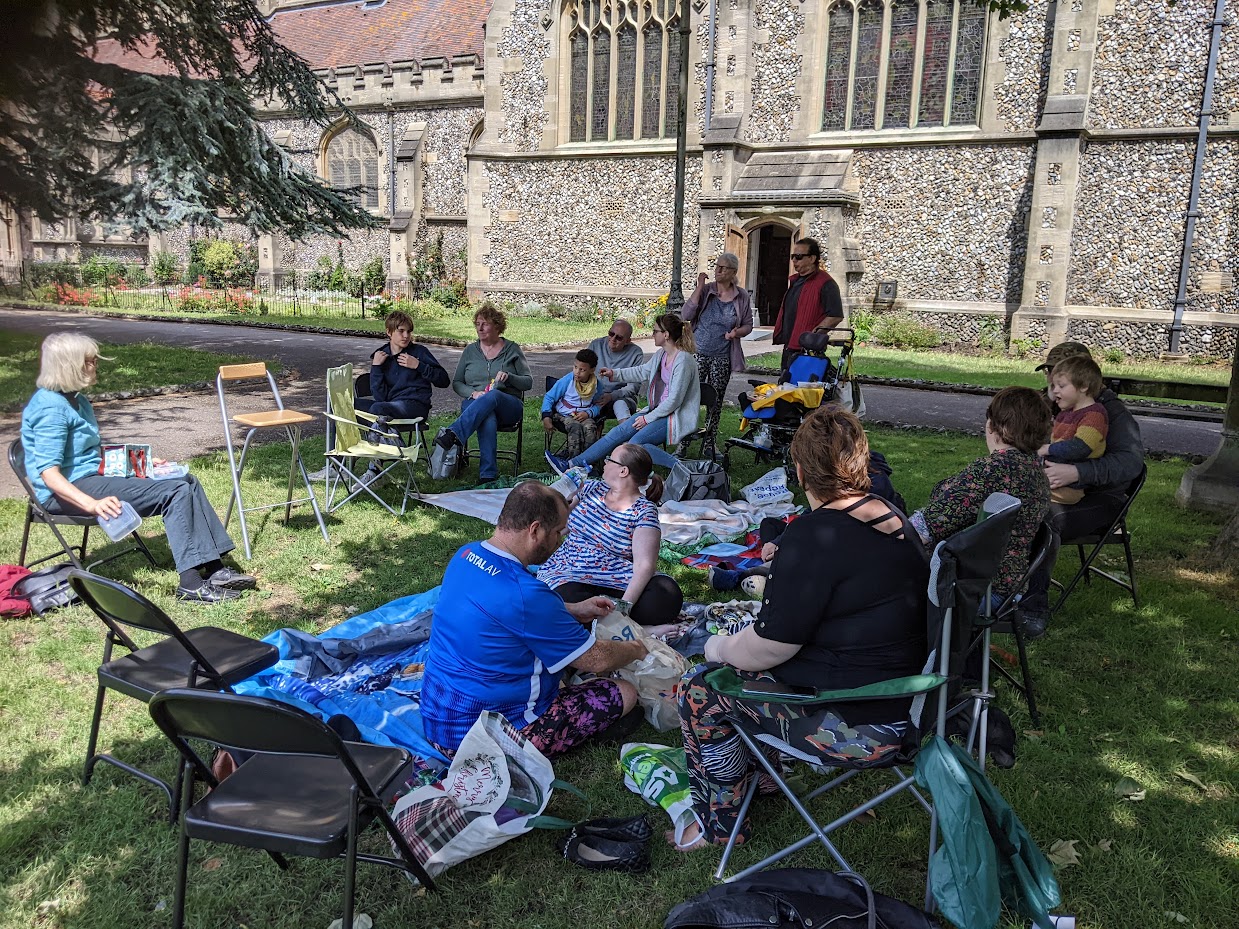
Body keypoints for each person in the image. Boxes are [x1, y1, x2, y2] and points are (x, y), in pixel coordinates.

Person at [675, 407, 928, 850]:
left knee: (700, 689)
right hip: (913, 700)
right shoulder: (888, 515)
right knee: (747, 678)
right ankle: (764, 779)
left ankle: (721, 824)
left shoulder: (813, 537)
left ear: (799, 471)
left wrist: (714, 646)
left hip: (864, 725)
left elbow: (768, 648)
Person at [20, 333, 255, 603]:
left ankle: (215, 570)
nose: (96, 364)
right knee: (174, 492)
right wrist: (92, 505)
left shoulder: (77, 399)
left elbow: (87, 452)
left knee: (186, 480)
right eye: (90, 361)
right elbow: (49, 474)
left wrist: (138, 464)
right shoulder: (50, 409)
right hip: (65, 490)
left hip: (90, 476)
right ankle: (190, 584)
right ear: (70, 365)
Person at [420, 482, 648, 757]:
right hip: (479, 743)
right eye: (557, 533)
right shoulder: (527, 595)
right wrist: (637, 648)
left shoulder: (467, 554)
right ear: (535, 530)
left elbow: (505, 613)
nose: (560, 541)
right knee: (624, 693)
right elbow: (595, 659)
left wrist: (573, 610)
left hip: (438, 719)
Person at [1018, 342, 1145, 638]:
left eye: (1059, 378)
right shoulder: (1053, 402)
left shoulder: (1112, 414)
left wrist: (1077, 471)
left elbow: (1130, 464)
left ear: (1083, 381)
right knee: (1008, 506)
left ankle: (1033, 609)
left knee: (1045, 519)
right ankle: (999, 587)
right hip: (1051, 487)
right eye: (1051, 375)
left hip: (1103, 497)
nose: (1052, 383)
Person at [909, 386, 1052, 608]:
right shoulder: (1036, 471)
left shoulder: (993, 469)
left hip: (971, 588)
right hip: (1008, 587)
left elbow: (926, 527)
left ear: (992, 425)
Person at [538, 443, 684, 626]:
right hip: (571, 572)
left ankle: (611, 623)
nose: (604, 463)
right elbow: (559, 525)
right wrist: (564, 489)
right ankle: (624, 628)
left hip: (617, 579)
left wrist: (624, 608)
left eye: (609, 459)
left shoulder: (644, 510)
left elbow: (644, 565)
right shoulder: (590, 489)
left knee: (666, 594)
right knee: (565, 599)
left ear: (623, 471)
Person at [546, 313, 699, 473]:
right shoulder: (661, 355)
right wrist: (615, 374)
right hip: (659, 412)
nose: (652, 334)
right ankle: (571, 465)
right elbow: (642, 371)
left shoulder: (683, 360)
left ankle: (682, 468)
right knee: (617, 433)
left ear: (666, 335)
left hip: (675, 416)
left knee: (634, 446)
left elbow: (674, 400)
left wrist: (647, 419)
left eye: (655, 331)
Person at [432, 303, 533, 483]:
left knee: (492, 396)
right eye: (477, 323)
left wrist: (509, 377)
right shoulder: (470, 351)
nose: (480, 327)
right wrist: (472, 393)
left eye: (485, 324)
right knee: (487, 416)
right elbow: (457, 383)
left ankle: (454, 434)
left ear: (497, 326)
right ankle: (488, 474)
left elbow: (528, 382)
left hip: (508, 405)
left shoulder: (512, 349)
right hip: (475, 404)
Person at [353, 310, 448, 483]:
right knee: (342, 405)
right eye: (401, 331)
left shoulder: (419, 352)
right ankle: (337, 467)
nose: (406, 336)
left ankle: (375, 470)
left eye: (408, 331)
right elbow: (380, 396)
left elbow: (444, 380)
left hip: (415, 406)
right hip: (388, 408)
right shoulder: (382, 356)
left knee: (378, 409)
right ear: (389, 332)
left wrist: (419, 366)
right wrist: (376, 367)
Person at [681, 252, 753, 458]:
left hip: (722, 357)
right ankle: (683, 443)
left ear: (733, 272)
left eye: (722, 268)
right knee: (690, 397)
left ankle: (709, 444)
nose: (718, 271)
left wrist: (736, 333)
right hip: (698, 354)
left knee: (715, 401)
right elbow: (686, 315)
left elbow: (748, 325)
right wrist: (699, 286)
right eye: (717, 267)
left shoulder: (741, 296)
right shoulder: (706, 291)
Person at [1038, 354, 1109, 505]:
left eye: (1061, 386)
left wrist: (1047, 449)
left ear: (1084, 386)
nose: (1055, 391)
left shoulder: (1094, 415)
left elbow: (1080, 447)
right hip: (1054, 477)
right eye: (1054, 386)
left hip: (1070, 487)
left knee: (1022, 494)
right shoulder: (1066, 413)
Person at [771, 236, 843, 370]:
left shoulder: (826, 283)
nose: (793, 260)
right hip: (790, 346)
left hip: (808, 351)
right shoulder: (796, 281)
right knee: (786, 388)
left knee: (802, 389)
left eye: (798, 256)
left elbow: (835, 315)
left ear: (812, 258)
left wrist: (812, 337)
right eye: (792, 256)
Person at [541, 348, 604, 458]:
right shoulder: (567, 380)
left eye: (582, 370)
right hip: (563, 414)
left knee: (590, 427)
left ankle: (588, 461)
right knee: (575, 426)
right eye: (575, 367)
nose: (577, 372)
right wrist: (546, 416)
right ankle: (573, 461)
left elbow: (599, 405)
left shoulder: (596, 386)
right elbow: (549, 397)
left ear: (592, 370)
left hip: (584, 415)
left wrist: (588, 413)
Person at [589, 319, 645, 422]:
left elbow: (633, 387)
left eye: (619, 337)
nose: (613, 339)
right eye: (611, 334)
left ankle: (625, 434)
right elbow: (583, 371)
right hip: (595, 395)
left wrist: (611, 396)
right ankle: (591, 436)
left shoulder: (635, 353)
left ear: (628, 341)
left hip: (622, 398)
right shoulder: (596, 345)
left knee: (620, 405)